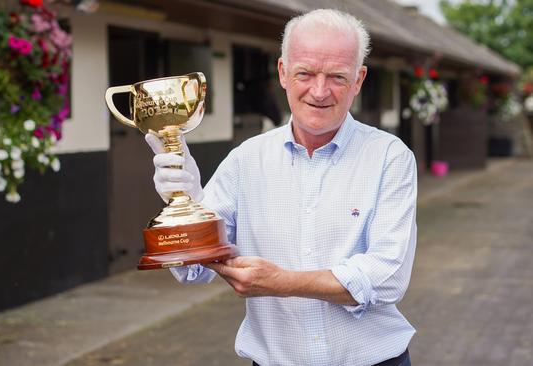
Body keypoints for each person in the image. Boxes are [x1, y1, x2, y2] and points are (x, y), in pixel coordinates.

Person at [145, 9, 417, 366]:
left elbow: (387, 277)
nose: (319, 92)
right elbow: (192, 271)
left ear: (358, 79)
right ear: (283, 73)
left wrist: (283, 282)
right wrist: (186, 202)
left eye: (336, 76)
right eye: (305, 73)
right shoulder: (246, 160)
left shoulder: (389, 157)